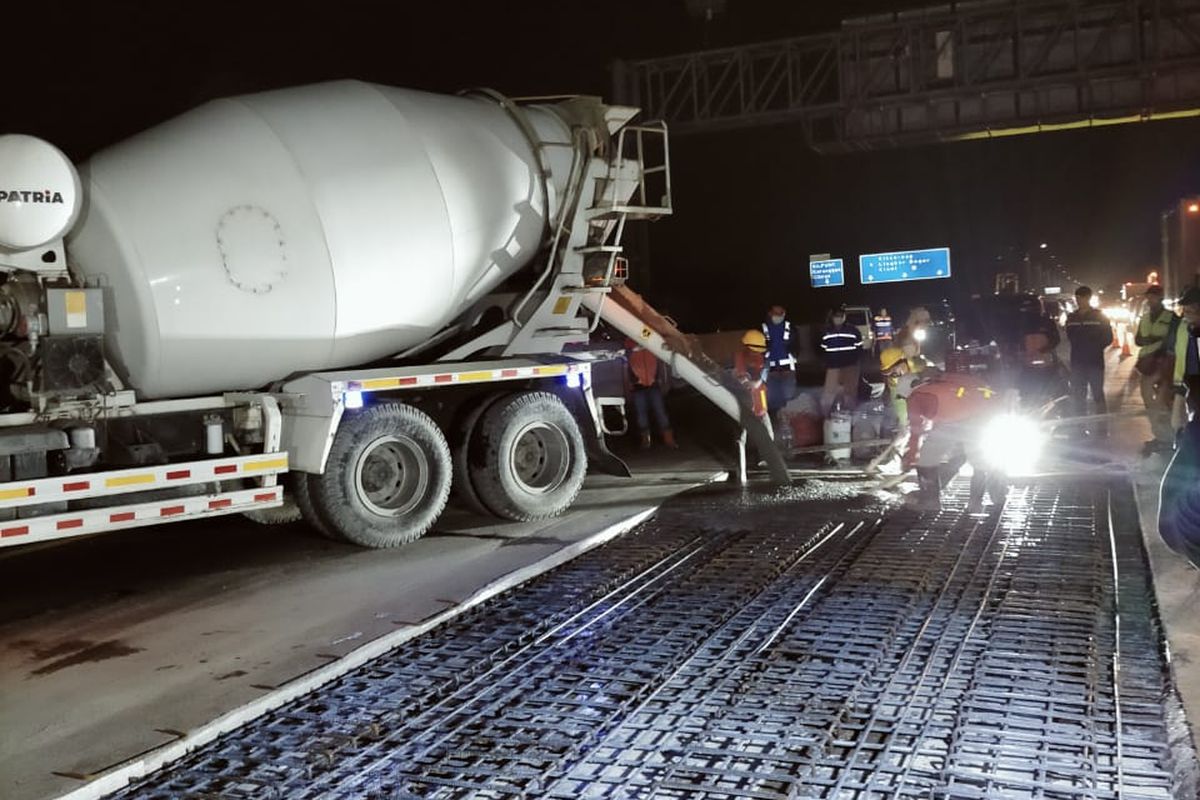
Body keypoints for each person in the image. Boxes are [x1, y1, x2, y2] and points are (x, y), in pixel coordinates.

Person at [885, 357, 1004, 513]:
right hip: (982, 417)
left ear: (907, 391)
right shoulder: (941, 383)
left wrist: (910, 457)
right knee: (980, 461)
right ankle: (987, 500)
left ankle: (929, 501)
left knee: (926, 459)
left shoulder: (915, 396)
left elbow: (916, 433)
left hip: (956, 422)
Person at [1135, 284, 1179, 454]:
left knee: (1163, 402)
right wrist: (1151, 340)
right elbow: (1138, 339)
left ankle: (1169, 438)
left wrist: (1159, 348)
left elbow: (1173, 341)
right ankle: (1160, 436)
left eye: (1153, 297)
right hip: (1147, 364)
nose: (1150, 300)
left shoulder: (1171, 317)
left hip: (1163, 364)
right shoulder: (1145, 317)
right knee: (1149, 401)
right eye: (1148, 297)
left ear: (1160, 298)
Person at [1064, 286, 1114, 437]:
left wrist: (1094, 346)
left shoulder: (1099, 316)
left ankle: (1102, 429)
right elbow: (1069, 335)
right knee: (1079, 396)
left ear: (1088, 298)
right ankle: (1080, 429)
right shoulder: (1072, 317)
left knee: (1098, 395)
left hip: (1094, 362)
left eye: (1081, 298)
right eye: (1077, 298)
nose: (1078, 301)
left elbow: (1108, 338)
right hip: (1077, 361)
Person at [625, 338, 676, 450]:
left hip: (653, 383)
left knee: (660, 412)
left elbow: (661, 358)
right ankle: (646, 441)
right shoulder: (629, 342)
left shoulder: (652, 339)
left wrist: (662, 380)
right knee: (641, 414)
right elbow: (625, 356)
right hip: (638, 385)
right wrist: (633, 349)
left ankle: (669, 440)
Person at [819, 305, 863, 413]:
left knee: (850, 394)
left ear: (844, 317)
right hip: (833, 367)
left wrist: (854, 362)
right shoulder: (826, 332)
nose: (838, 318)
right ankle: (824, 416)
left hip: (850, 366)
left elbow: (859, 348)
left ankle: (850, 415)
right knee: (829, 393)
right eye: (836, 316)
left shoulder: (853, 331)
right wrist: (827, 362)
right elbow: (822, 349)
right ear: (832, 317)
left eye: (841, 316)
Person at [1170, 287, 1200, 425]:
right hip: (1185, 384)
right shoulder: (1183, 327)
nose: (1185, 316)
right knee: (1177, 422)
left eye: (1189, 312)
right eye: (1184, 311)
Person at [761, 304, 797, 417]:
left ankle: (788, 417)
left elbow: (796, 345)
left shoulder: (790, 327)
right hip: (770, 368)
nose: (778, 316)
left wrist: (795, 355)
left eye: (781, 314)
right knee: (772, 396)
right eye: (776, 314)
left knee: (788, 395)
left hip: (787, 367)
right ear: (770, 313)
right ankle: (775, 418)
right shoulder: (763, 328)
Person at [734, 329, 769, 420]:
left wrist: (755, 383)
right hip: (741, 399)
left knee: (762, 412)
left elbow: (761, 378)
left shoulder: (762, 361)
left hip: (758, 396)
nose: (757, 353)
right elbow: (735, 373)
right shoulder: (739, 356)